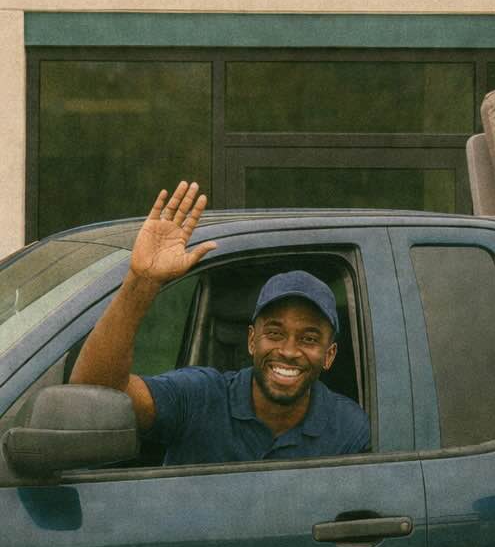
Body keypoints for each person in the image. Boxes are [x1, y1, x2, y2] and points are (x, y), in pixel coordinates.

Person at [70, 180, 370, 463]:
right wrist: (142, 281)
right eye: (275, 333)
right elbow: (94, 395)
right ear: (252, 340)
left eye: (308, 339)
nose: (289, 351)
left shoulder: (348, 427)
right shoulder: (200, 396)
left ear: (329, 355)